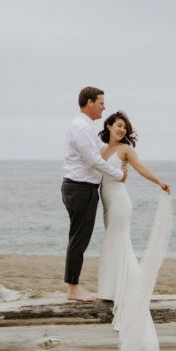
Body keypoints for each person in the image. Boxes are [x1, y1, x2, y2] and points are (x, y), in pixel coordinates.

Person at [96, 111, 172, 351]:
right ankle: (111, 288)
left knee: (115, 241)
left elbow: (140, 169)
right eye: (117, 125)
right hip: (106, 204)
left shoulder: (126, 150)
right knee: (113, 243)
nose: (121, 130)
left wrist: (159, 182)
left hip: (119, 203)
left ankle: (117, 290)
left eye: (124, 127)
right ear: (108, 126)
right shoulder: (102, 150)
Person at [61, 86, 126, 302]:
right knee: (79, 239)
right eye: (101, 103)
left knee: (79, 237)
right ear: (89, 103)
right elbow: (94, 160)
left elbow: (99, 153)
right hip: (80, 188)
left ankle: (73, 286)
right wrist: (118, 174)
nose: (104, 107)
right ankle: (73, 288)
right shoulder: (81, 126)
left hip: (82, 188)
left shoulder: (86, 126)